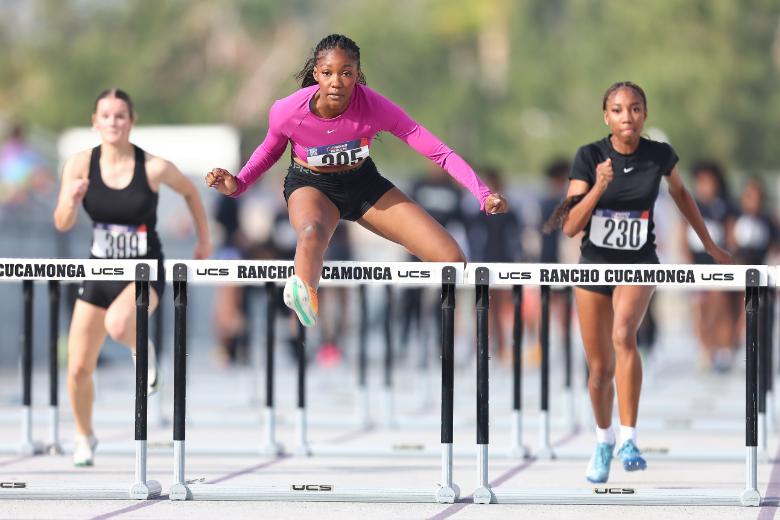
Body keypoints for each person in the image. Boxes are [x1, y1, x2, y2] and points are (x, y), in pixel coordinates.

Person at [205, 34, 507, 327]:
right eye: (328, 73)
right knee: (311, 231)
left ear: (357, 74)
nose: (336, 82)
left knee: (452, 259)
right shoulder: (287, 110)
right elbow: (268, 153)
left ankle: (441, 341)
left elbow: (438, 151)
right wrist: (238, 183)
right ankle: (303, 292)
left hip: (364, 185)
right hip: (312, 186)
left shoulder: (375, 106)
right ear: (317, 74)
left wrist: (483, 194)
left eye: (346, 73)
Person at [544, 81, 730, 484]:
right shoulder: (589, 156)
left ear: (645, 113)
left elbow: (682, 196)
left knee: (624, 334)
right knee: (598, 370)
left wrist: (709, 244)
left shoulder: (659, 156)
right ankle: (604, 439)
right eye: (617, 110)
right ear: (605, 116)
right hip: (594, 264)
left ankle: (629, 439)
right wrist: (599, 186)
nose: (626, 117)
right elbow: (571, 226)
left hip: (639, 262)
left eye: (634, 109)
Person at [53, 89, 212, 466]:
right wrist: (72, 200)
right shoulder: (79, 164)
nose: (113, 122)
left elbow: (191, 191)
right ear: (95, 122)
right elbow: (61, 222)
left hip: (144, 270)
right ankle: (84, 435)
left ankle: (144, 348)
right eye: (105, 116)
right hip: (99, 270)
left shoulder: (153, 167)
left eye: (120, 116)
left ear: (131, 120)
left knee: (119, 322)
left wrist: (203, 239)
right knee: (77, 367)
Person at [681, 161, 738, 372]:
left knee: (721, 308)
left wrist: (727, 261)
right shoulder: (691, 204)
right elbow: (683, 234)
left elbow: (731, 235)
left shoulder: (725, 206)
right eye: (700, 182)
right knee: (701, 311)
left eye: (708, 182)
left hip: (717, 266)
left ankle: (723, 350)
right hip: (697, 265)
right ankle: (705, 350)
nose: (704, 186)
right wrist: (687, 264)